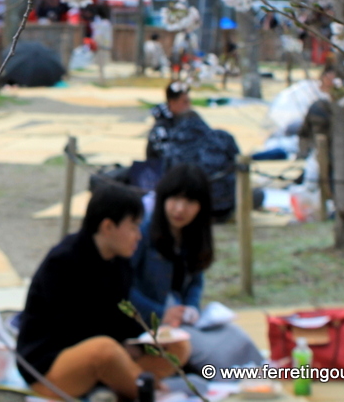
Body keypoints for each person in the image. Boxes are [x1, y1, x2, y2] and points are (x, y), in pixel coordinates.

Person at [16, 184, 191, 400]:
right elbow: (69, 328)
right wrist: (121, 345)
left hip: (108, 356)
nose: (138, 236)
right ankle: (145, 388)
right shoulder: (63, 262)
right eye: (134, 227)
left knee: (177, 345)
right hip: (49, 366)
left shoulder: (119, 262)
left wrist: (140, 339)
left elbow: (119, 314)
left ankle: (127, 385)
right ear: (108, 226)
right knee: (104, 350)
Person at [130, 165, 263, 376]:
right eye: (174, 199)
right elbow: (122, 287)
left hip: (182, 322)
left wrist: (192, 308)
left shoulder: (194, 236)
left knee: (238, 338)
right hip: (149, 324)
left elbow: (196, 281)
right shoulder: (142, 234)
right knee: (217, 356)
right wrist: (159, 313)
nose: (180, 209)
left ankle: (265, 375)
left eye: (190, 201)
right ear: (163, 198)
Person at [147, 82, 200, 161]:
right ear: (172, 103)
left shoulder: (188, 122)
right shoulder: (161, 130)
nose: (189, 105)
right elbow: (167, 160)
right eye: (185, 102)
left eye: (189, 101)